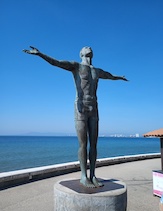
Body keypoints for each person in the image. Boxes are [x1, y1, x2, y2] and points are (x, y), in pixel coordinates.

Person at [23, 46, 128, 188]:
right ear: (81, 53)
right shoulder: (76, 66)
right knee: (83, 143)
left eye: (90, 47)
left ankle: (93, 175)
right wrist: (40, 54)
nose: (88, 47)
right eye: (85, 47)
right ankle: (84, 176)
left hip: (94, 107)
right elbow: (57, 63)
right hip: (80, 107)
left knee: (94, 144)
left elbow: (109, 76)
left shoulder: (96, 71)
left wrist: (119, 77)